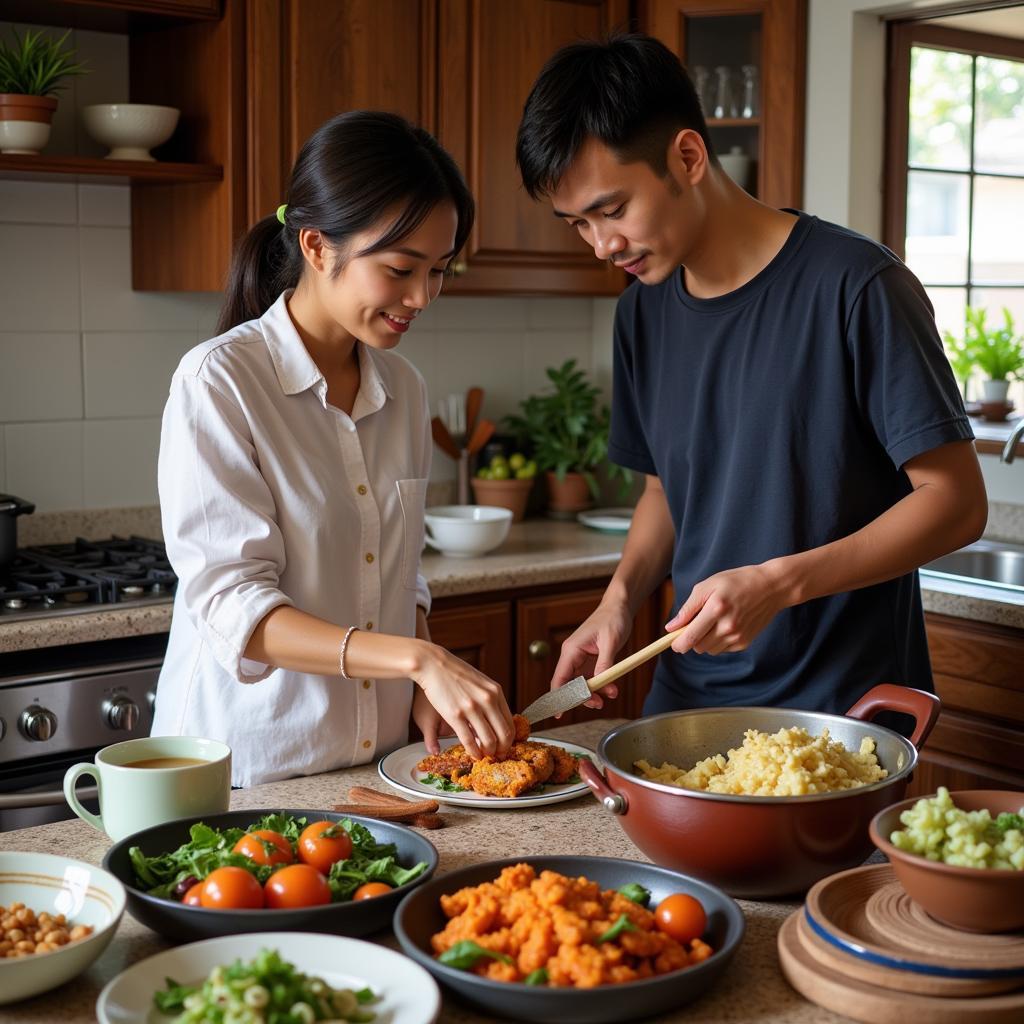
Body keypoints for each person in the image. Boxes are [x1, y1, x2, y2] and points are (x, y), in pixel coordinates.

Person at [514, 35, 988, 721]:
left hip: (840, 717)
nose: (601, 245)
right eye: (577, 223)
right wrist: (617, 600)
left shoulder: (858, 286)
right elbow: (666, 492)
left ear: (687, 156)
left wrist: (779, 582)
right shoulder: (641, 311)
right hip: (687, 707)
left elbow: (956, 502)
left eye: (613, 210)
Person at [153, 111, 515, 787]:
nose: (422, 297)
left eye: (440, 271)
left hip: (371, 770)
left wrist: (429, 677)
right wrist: (416, 662)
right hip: (246, 770)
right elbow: (238, 610)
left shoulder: (403, 390)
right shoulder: (220, 382)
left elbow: (396, 574)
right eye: (402, 268)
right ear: (318, 247)